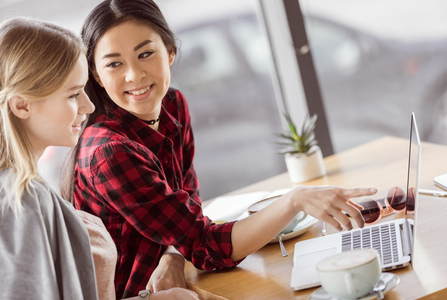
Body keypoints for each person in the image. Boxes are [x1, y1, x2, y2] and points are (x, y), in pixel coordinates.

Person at [62, 0, 377, 298]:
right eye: (114, 63)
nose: (134, 75)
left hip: (178, 285)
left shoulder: (172, 105)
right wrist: (294, 200)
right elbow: (207, 247)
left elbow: (188, 201)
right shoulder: (110, 153)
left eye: (145, 54)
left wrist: (172, 255)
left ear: (170, 52)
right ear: (97, 76)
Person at [0, 16, 198, 300]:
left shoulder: (25, 192)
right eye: (72, 95)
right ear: (21, 105)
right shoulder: (24, 202)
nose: (88, 105)